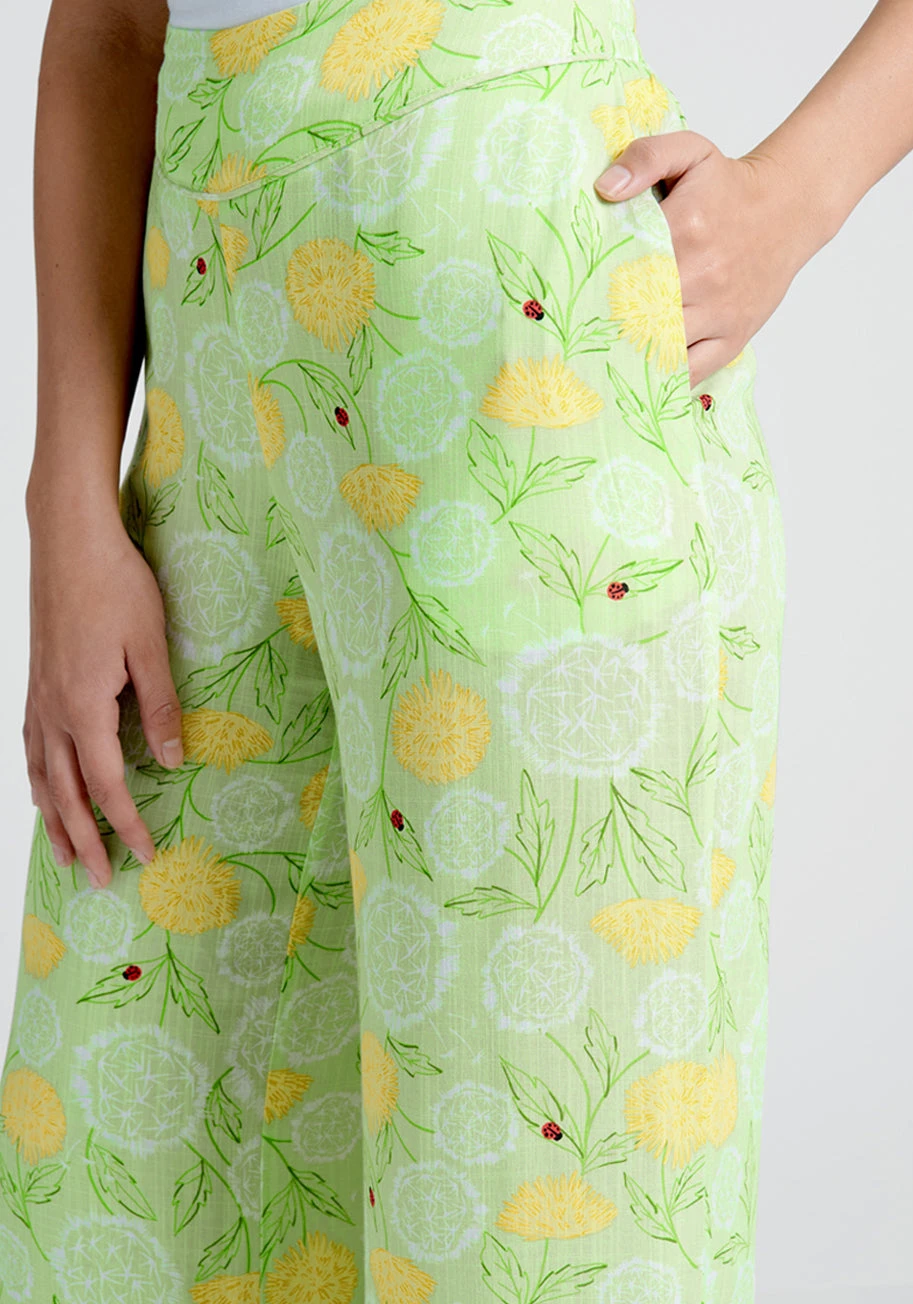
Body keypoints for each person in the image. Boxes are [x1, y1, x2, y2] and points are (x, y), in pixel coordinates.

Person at [1, 1, 909, 1300]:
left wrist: (798, 194)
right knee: (129, 1177)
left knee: (528, 1207)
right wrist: (66, 498)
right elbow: (108, 29)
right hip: (209, 399)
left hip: (523, 361)